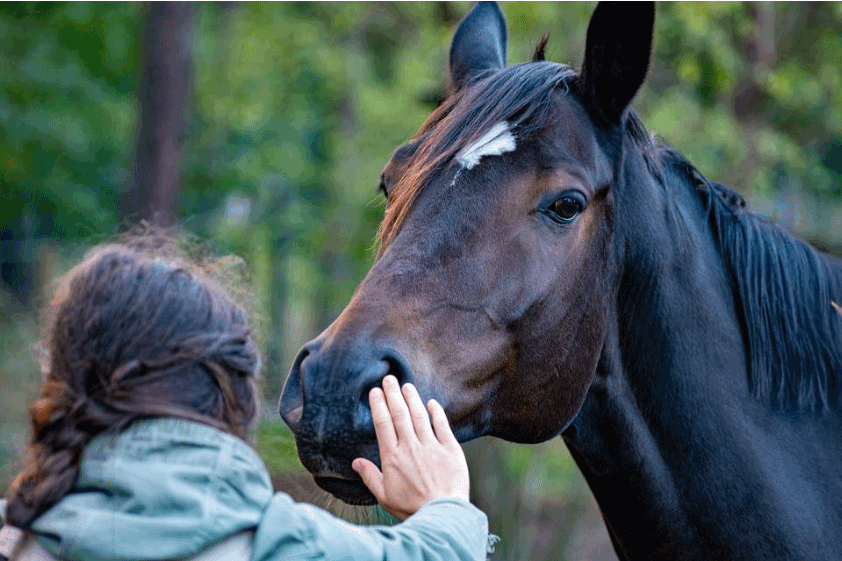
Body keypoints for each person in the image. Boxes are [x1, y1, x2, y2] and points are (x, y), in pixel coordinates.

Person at [0, 238, 494, 561]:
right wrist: (446, 507)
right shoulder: (295, 549)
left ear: (60, 388)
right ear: (233, 395)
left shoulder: (16, 540)